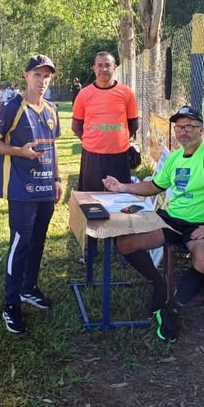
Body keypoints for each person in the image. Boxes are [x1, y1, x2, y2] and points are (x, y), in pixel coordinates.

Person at [102, 105, 204, 342]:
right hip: (170, 221)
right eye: (179, 127)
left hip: (201, 225)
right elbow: (155, 186)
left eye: (189, 127)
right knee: (125, 241)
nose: (183, 132)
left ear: (201, 130)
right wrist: (122, 187)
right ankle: (159, 284)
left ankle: (173, 308)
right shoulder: (176, 158)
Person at [0, 54, 63, 334]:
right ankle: (11, 304)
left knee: (38, 241)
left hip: (46, 188)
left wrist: (57, 178)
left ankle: (28, 287)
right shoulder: (12, 107)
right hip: (22, 189)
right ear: (26, 76)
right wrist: (19, 151)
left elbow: (53, 146)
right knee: (20, 243)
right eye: (37, 75)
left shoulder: (52, 109)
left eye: (47, 76)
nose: (42, 81)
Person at [71, 51, 139, 262]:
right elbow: (76, 125)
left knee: (120, 200)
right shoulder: (84, 94)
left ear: (114, 68)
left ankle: (122, 246)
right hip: (93, 157)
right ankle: (91, 248)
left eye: (107, 65)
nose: (103, 69)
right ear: (94, 68)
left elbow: (133, 123)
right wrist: (93, 142)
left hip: (119, 156)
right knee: (91, 201)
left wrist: (118, 141)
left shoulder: (126, 93)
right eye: (99, 65)